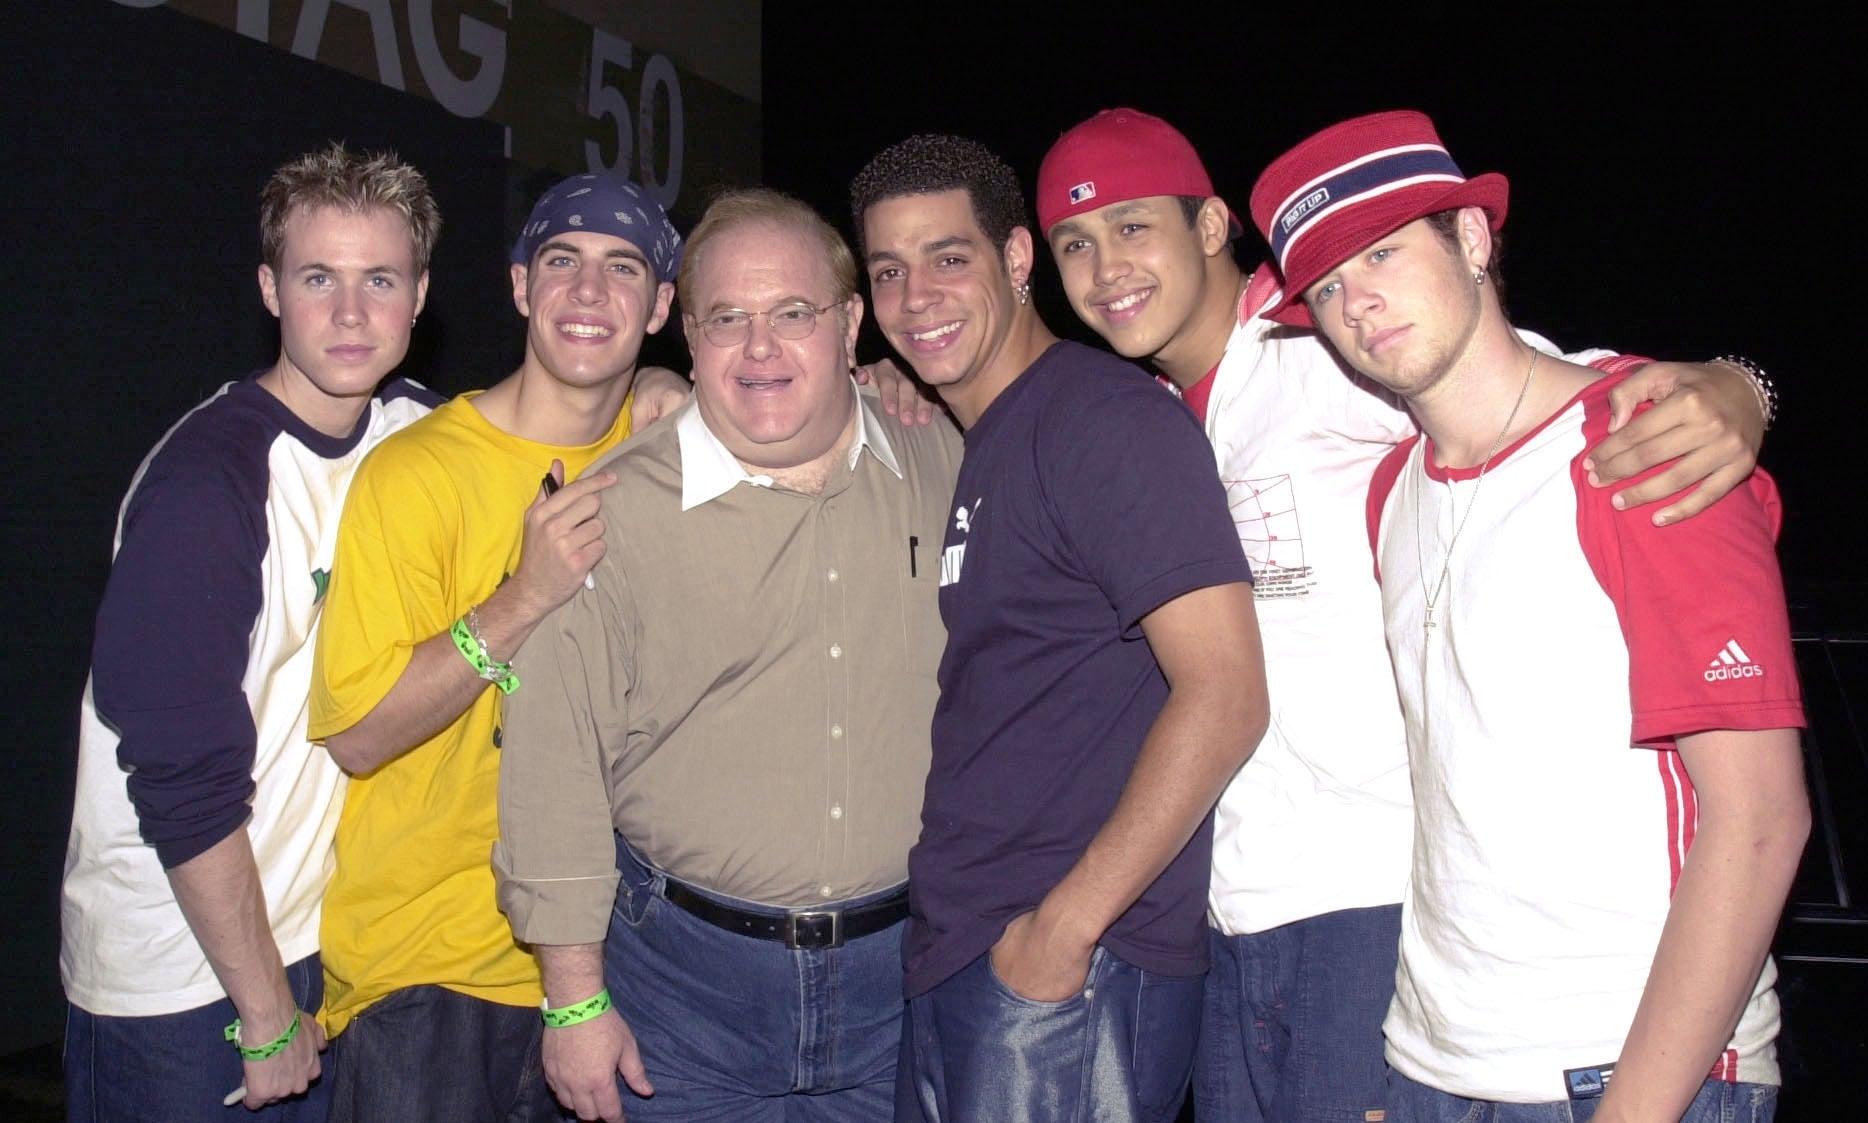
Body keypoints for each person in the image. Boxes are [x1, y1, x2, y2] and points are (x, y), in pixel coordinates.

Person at [1033, 107, 1777, 1123]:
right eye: (1075, 242)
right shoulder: (1168, 427)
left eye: (1131, 226)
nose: (1105, 265)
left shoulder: (1321, 366)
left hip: (1384, 916)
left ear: (1207, 227)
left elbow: (1530, 391)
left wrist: (1730, 386)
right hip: (1280, 936)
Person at [1249, 108, 1807, 1123]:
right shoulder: (1390, 496)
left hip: (1625, 1069)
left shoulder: (1637, 445)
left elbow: (1761, 820)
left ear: (1470, 238)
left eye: (1380, 251)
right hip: (1431, 1068)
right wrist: (1400, 1071)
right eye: (1325, 287)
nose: (1356, 302)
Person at [493, 186, 965, 1123]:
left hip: (906, 985)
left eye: (793, 314)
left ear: (851, 323)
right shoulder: (607, 512)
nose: (759, 349)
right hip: (682, 996)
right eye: (728, 319)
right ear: (691, 338)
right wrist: (574, 999)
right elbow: (553, 765)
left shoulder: (941, 460)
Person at [850, 133, 1270, 1123]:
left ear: (1015, 259)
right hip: (970, 949)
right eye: (887, 271)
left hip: (1063, 971)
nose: (916, 297)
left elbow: (1226, 692)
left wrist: (1065, 929)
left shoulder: (1101, 419)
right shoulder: (992, 439)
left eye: (947, 257)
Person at [60, 142, 442, 1120]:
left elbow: (556, 442)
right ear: (270, 288)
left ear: (420, 294)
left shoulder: (407, 433)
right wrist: (265, 1007)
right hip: (188, 982)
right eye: (319, 277)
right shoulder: (209, 487)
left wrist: (657, 397)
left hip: (320, 947)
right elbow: (181, 779)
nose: (351, 313)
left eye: (380, 279)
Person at [305, 173, 683, 1121]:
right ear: (521, 286)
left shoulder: (673, 461)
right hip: (428, 973)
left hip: (614, 968)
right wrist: (522, 600)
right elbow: (357, 734)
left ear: (662, 306)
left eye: (622, 268)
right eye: (563, 261)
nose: (589, 293)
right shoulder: (417, 471)